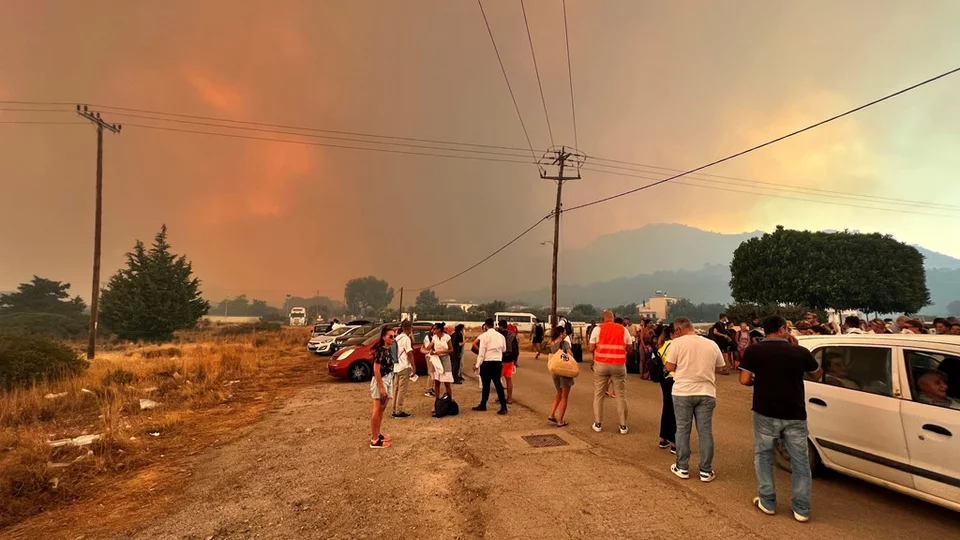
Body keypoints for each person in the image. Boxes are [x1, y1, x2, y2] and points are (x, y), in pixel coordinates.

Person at [739, 315, 823, 522]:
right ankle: (801, 508)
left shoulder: (753, 351)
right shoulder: (799, 352)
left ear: (765, 331)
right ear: (784, 329)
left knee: (764, 455)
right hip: (794, 412)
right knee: (800, 460)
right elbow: (817, 374)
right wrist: (796, 349)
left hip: (765, 410)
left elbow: (744, 380)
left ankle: (767, 501)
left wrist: (758, 382)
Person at [665, 317, 725, 483]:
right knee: (705, 431)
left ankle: (682, 467)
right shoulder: (711, 344)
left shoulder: (676, 344)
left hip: (683, 391)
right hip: (706, 391)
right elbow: (720, 367)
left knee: (683, 429)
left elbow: (669, 367)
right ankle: (706, 470)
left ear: (678, 330)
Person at [588, 310, 631, 434]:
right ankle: (623, 426)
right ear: (614, 318)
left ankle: (598, 424)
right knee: (621, 395)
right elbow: (630, 347)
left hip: (601, 364)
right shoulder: (623, 329)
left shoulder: (597, 329)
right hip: (618, 365)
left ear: (603, 319)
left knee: (599, 395)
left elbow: (591, 347)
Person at [369, 326, 397, 449]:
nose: (393, 338)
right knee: (377, 409)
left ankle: (377, 434)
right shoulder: (380, 350)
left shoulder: (388, 349)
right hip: (381, 380)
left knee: (382, 409)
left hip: (388, 379)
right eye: (390, 336)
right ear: (384, 337)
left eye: (394, 336)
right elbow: (376, 370)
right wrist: (381, 387)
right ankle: (374, 440)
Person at [474, 318, 508, 414]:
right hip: (497, 362)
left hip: (487, 362)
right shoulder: (501, 336)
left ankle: (483, 404)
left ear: (485, 325)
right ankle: (503, 406)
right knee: (498, 385)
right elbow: (504, 349)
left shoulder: (484, 336)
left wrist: (477, 365)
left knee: (486, 385)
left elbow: (481, 353)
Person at [547, 325, 575, 427]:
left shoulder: (551, 344)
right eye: (563, 332)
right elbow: (570, 355)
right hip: (564, 370)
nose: (565, 334)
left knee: (559, 393)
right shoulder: (564, 343)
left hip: (555, 371)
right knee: (564, 396)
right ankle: (560, 420)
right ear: (560, 334)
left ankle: (551, 414)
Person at [656, 325, 677, 454]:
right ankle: (674, 441)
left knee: (667, 407)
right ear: (673, 334)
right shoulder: (674, 345)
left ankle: (664, 438)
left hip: (664, 379)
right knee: (675, 410)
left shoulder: (663, 345)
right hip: (674, 378)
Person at [391, 320, 415, 418]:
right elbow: (409, 353)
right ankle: (399, 411)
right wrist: (414, 367)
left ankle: (394, 409)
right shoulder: (406, 339)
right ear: (410, 328)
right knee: (402, 390)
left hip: (396, 366)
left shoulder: (397, 337)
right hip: (404, 366)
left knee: (395, 389)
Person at [429, 323, 454, 403]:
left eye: (435, 329)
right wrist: (431, 351)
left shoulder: (447, 337)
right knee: (437, 381)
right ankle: (436, 400)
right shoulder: (434, 337)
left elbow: (451, 350)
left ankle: (449, 400)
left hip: (445, 358)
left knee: (447, 382)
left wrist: (441, 351)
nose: (433, 330)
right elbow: (430, 347)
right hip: (437, 359)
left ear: (439, 329)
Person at [497, 319, 520, 404]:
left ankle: (500, 397)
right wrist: (515, 360)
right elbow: (516, 349)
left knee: (498, 379)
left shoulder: (498, 334)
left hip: (499, 359)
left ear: (500, 326)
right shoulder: (512, 335)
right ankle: (509, 398)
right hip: (509, 359)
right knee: (508, 380)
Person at [423, 330, 436, 397]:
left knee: (433, 373)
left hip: (434, 357)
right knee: (431, 374)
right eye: (434, 329)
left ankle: (431, 389)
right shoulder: (428, 337)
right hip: (429, 357)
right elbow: (428, 347)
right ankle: (428, 390)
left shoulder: (435, 337)